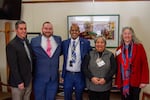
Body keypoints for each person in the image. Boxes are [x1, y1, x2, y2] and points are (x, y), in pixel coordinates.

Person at [115, 27, 149, 100]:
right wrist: (117, 81)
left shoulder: (139, 47)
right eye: (125, 34)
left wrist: (144, 81)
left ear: (132, 35)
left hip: (136, 81)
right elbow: (117, 66)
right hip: (123, 82)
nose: (127, 35)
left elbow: (144, 64)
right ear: (122, 36)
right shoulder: (119, 49)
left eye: (129, 33)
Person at [31, 21, 62, 100]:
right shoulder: (34, 41)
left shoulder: (58, 39)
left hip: (53, 79)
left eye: (50, 29)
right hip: (39, 78)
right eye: (46, 28)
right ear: (42, 29)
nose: (48, 30)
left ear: (53, 30)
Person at [61, 23, 91, 100]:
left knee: (79, 96)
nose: (74, 32)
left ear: (79, 32)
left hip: (80, 74)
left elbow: (91, 55)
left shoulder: (86, 43)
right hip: (68, 74)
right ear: (70, 31)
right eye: (72, 30)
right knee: (67, 96)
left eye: (76, 30)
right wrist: (62, 75)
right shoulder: (64, 43)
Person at [82, 36, 117, 100]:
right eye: (97, 42)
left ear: (105, 44)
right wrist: (91, 78)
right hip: (92, 86)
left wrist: (106, 79)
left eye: (102, 42)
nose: (99, 44)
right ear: (95, 44)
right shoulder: (89, 54)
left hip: (105, 86)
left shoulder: (110, 55)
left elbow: (114, 69)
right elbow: (84, 68)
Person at [6, 20, 32, 100]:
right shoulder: (11, 45)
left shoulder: (26, 42)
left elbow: (29, 60)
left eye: (25, 28)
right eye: (21, 29)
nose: (24, 31)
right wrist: (19, 82)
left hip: (28, 80)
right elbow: (13, 66)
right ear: (16, 30)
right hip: (18, 83)